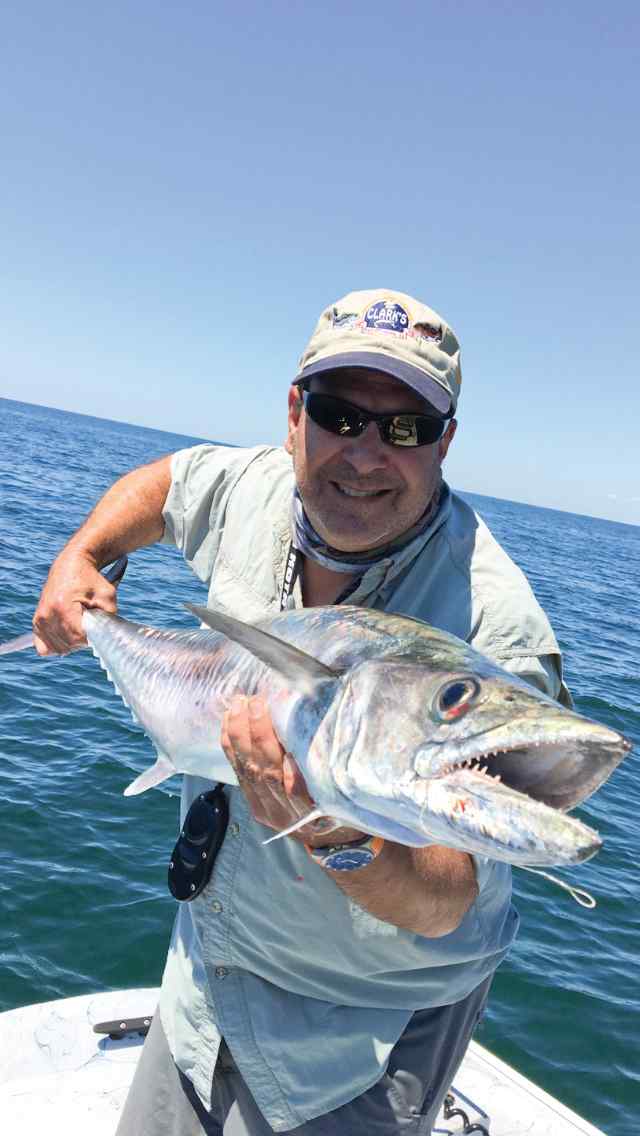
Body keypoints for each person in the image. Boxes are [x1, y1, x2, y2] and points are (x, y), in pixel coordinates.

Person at [33, 289, 570, 1135]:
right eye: (339, 414)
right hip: (206, 975)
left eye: (405, 429)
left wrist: (337, 832)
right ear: (295, 416)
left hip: (359, 1039)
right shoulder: (255, 485)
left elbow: (449, 899)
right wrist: (84, 558)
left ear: (446, 444)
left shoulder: (491, 628)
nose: (364, 454)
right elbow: (166, 484)